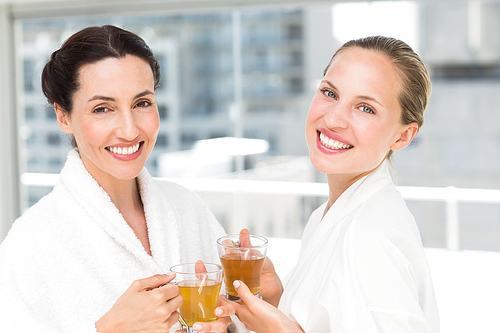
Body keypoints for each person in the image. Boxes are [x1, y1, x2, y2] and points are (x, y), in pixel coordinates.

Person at [0, 25, 241, 333]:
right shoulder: (30, 244)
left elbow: (229, 321)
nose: (129, 130)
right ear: (64, 116)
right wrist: (108, 330)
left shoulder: (186, 208)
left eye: (142, 103)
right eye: (103, 109)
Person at [228, 36, 440, 332]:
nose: (334, 118)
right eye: (329, 93)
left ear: (403, 136)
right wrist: (278, 299)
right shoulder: (329, 215)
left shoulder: (369, 235)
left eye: (365, 108)